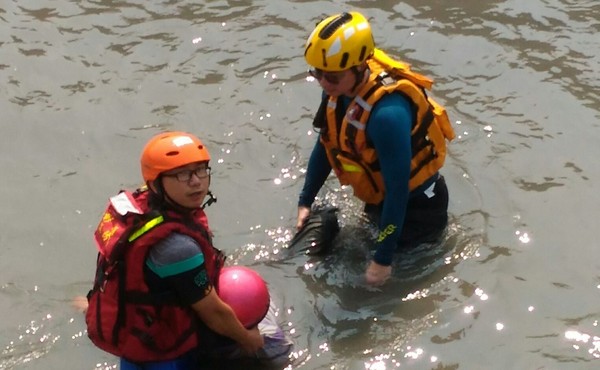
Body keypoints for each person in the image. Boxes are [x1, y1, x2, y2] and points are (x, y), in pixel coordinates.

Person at [296, 11, 456, 287]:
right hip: (382, 201)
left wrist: (382, 259)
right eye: (317, 73)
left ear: (360, 67)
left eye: (331, 76)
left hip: (417, 211)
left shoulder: (386, 116)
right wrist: (305, 201)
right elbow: (327, 144)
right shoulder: (336, 91)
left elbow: (398, 191)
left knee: (370, 289)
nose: (323, 82)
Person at [85, 131, 264, 369]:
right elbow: (213, 312)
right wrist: (247, 339)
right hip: (168, 356)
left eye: (201, 169)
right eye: (182, 174)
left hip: (137, 346)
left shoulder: (142, 206)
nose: (196, 181)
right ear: (157, 182)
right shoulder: (177, 249)